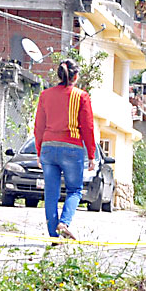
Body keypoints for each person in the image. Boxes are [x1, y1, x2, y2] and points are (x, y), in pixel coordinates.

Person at [33, 59, 96, 241]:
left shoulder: (45, 95)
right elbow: (88, 127)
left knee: (50, 194)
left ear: (60, 76)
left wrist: (39, 152)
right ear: (75, 77)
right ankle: (64, 223)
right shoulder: (81, 96)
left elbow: (39, 127)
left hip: (48, 148)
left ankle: (54, 237)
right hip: (71, 148)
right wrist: (91, 155)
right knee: (75, 190)